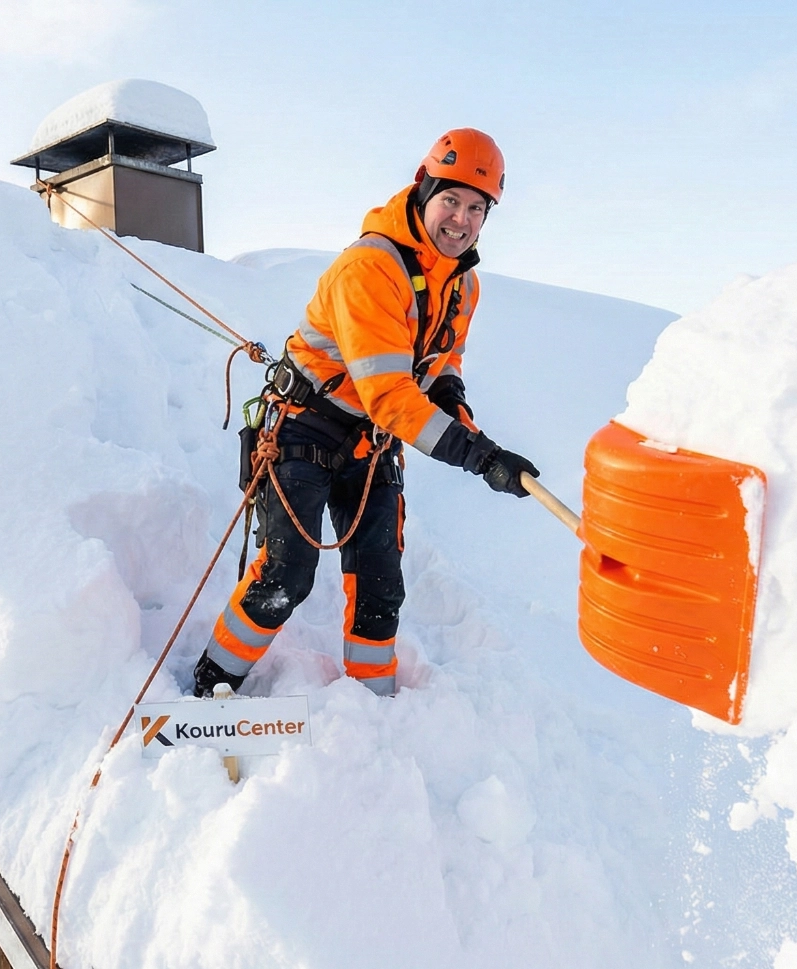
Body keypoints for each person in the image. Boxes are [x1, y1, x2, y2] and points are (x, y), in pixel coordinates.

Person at [192, 128, 539, 698]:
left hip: (372, 444)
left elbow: (442, 362)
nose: (462, 219)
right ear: (423, 190)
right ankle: (212, 684)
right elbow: (390, 395)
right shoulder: (372, 267)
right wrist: (480, 457)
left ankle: (373, 707)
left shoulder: (464, 285)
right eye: (451, 200)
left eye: (478, 208)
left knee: (380, 584)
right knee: (287, 574)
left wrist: (458, 408)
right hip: (305, 427)